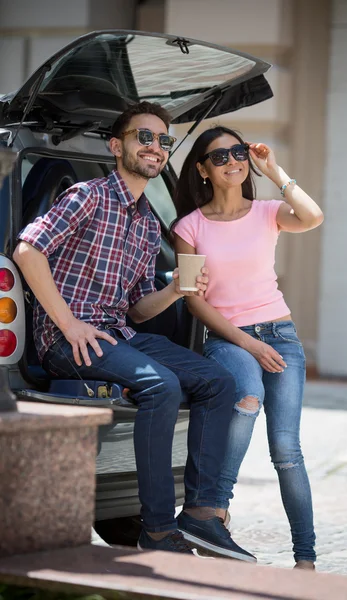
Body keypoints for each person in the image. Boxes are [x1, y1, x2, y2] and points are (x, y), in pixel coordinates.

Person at [13, 104, 255, 562]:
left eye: (163, 140)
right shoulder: (88, 196)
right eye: (144, 136)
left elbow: (139, 311)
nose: (155, 147)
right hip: (70, 340)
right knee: (159, 385)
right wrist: (68, 323)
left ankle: (201, 515)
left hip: (120, 333)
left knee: (218, 382)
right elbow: (28, 251)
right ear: (116, 145)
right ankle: (158, 531)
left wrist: (178, 292)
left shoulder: (146, 224)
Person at [172, 126, 324, 570]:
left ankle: (306, 560)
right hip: (229, 338)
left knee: (286, 450)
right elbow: (194, 299)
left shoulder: (268, 211)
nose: (232, 161)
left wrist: (275, 170)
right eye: (219, 157)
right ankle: (210, 510)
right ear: (202, 169)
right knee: (247, 396)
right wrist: (248, 344)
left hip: (282, 336)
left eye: (238, 153)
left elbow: (313, 216)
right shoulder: (191, 225)